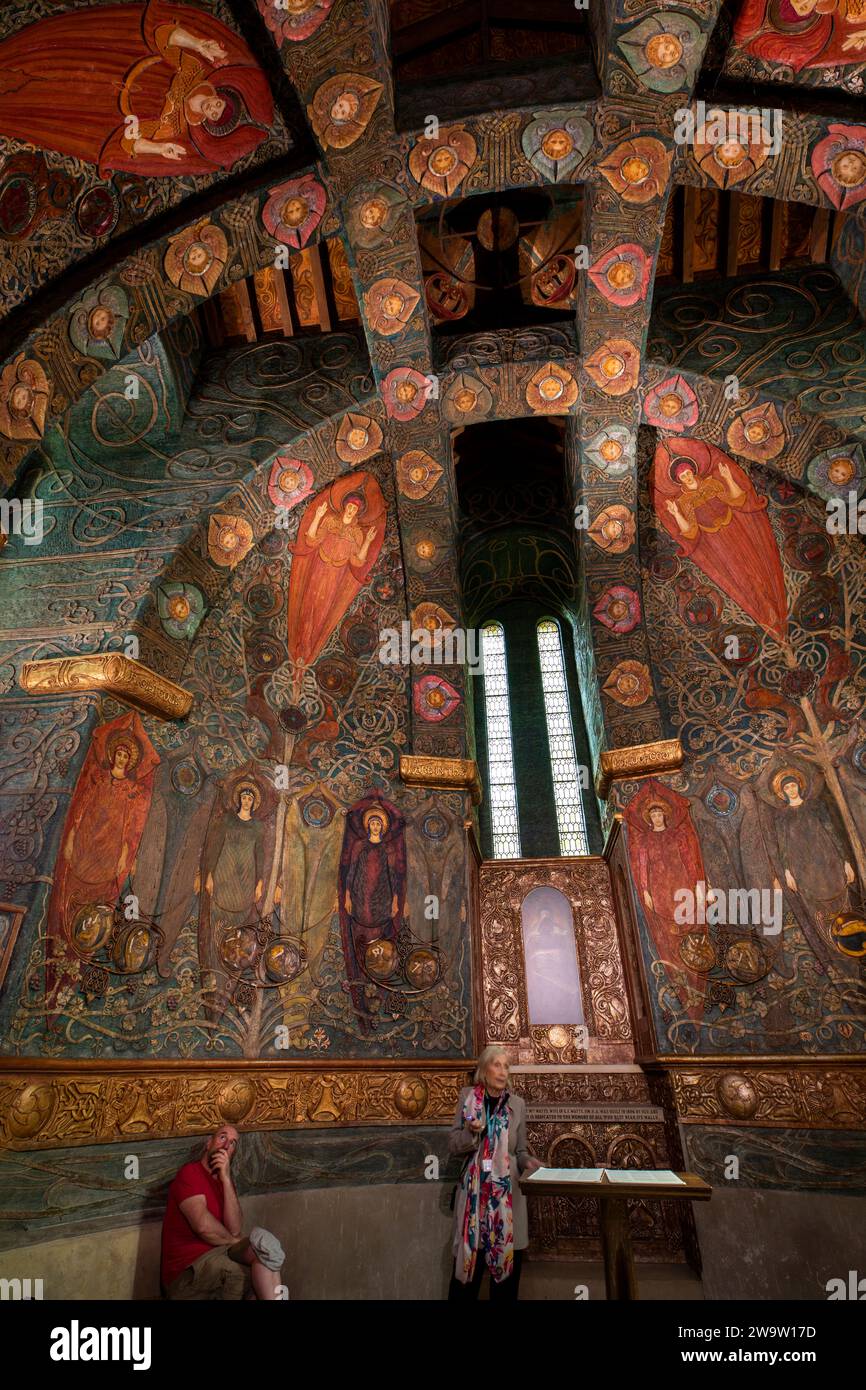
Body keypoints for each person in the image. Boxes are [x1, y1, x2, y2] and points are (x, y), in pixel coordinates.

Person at [447, 1046, 541, 1301]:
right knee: (467, 1281)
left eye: (506, 1066)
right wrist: (472, 1132)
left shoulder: (517, 1105)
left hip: (506, 1202)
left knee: (506, 1287)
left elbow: (519, 1150)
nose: (502, 1071)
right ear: (484, 1069)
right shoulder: (468, 1098)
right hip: (475, 1202)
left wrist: (528, 1162)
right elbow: (454, 1144)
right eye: (496, 1065)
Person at [161, 1125, 285, 1300]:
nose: (227, 1145)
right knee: (242, 1275)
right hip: (186, 1271)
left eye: (233, 1143)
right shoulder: (190, 1173)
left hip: (220, 1251)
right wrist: (235, 1240)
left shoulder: (224, 1182)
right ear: (208, 1143)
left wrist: (226, 1179)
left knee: (266, 1254)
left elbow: (234, 1228)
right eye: (222, 1138)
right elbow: (203, 1227)